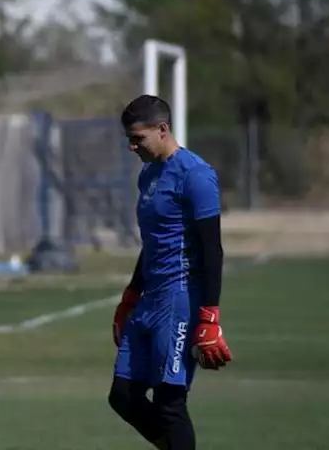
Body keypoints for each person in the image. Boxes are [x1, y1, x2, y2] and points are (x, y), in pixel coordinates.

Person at [109, 94, 233, 450]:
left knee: (169, 404)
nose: (132, 147)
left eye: (138, 138)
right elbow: (153, 241)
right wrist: (131, 295)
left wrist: (210, 316)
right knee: (123, 396)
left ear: (162, 130)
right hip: (149, 298)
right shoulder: (148, 175)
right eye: (129, 140)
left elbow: (213, 249)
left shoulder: (196, 175)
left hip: (180, 300)